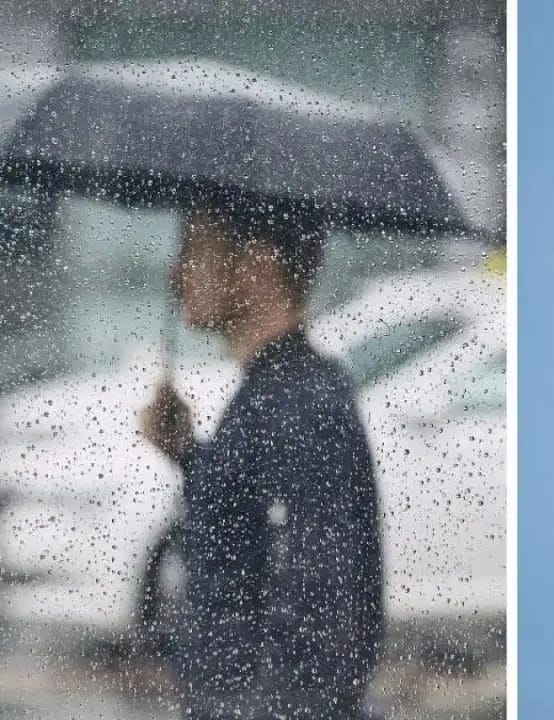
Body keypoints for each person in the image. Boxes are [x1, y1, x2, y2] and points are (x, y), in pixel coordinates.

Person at [140, 202, 384, 720]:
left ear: (257, 265)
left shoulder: (303, 404)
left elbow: (325, 617)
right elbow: (245, 541)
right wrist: (187, 452)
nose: (175, 271)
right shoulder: (272, 392)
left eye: (194, 248)